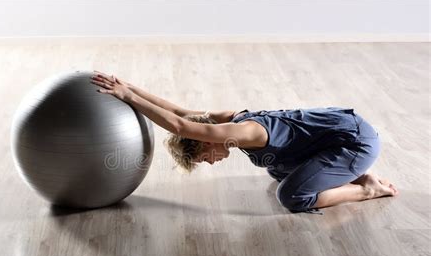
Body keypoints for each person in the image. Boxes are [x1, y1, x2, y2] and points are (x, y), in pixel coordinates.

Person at [90, 70, 399, 214]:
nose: (210, 162)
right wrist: (129, 85)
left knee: (291, 196)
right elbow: (181, 112)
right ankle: (356, 174)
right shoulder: (230, 118)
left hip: (356, 142)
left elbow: (179, 123)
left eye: (203, 157)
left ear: (204, 141)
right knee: (275, 169)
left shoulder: (240, 133)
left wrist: (127, 97)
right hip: (342, 131)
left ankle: (366, 189)